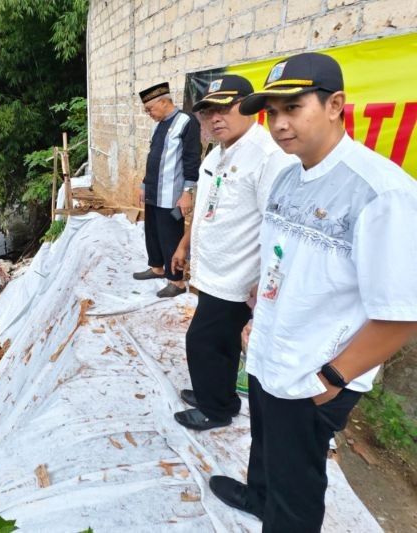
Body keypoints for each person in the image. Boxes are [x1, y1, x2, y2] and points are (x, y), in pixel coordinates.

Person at [208, 52, 417, 532]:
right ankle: (258, 495)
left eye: (293, 107)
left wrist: (334, 377)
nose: (280, 124)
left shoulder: (381, 193)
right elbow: (284, 260)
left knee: (296, 485)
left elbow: (402, 314)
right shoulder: (288, 175)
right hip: (272, 351)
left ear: (335, 105)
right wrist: (261, 314)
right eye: (272, 112)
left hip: (314, 371)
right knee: (265, 443)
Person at [169, 75, 296, 431]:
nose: (215, 118)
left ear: (249, 106)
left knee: (203, 342)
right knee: (220, 343)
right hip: (213, 271)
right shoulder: (220, 151)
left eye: (225, 107)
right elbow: (209, 206)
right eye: (208, 112)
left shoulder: (268, 157)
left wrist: (264, 280)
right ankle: (219, 393)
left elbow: (278, 229)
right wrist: (185, 245)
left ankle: (216, 409)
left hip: (240, 277)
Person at [133, 82, 201, 298]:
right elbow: (153, 158)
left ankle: (177, 282)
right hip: (153, 191)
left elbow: (191, 160)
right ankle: (157, 268)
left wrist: (187, 192)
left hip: (172, 194)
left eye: (150, 109)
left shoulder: (186, 122)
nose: (149, 114)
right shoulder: (159, 124)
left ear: (163, 102)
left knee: (170, 235)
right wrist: (145, 184)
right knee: (151, 231)